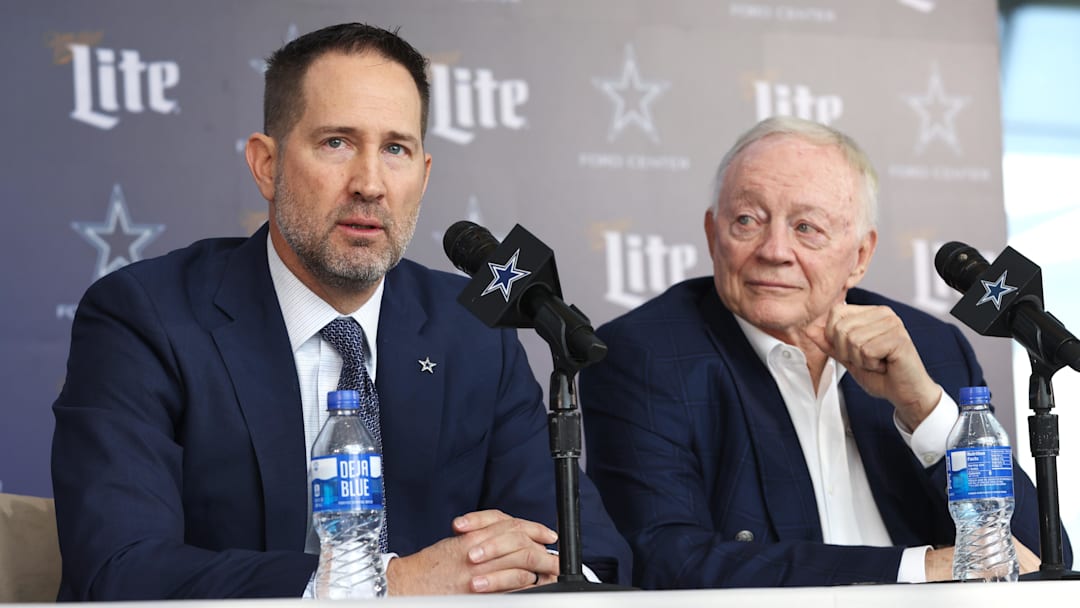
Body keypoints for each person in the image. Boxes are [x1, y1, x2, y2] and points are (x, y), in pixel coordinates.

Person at [51, 22, 630, 600]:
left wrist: (534, 567)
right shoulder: (146, 317)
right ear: (266, 165)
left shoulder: (473, 334)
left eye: (396, 149)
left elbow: (591, 557)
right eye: (337, 142)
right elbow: (118, 569)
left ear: (423, 177)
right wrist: (387, 585)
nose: (370, 184)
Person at [578, 116, 1071, 588]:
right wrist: (918, 571)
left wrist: (924, 408)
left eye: (806, 227)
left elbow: (1035, 555)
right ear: (712, 235)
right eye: (747, 220)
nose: (774, 250)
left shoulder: (932, 348)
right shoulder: (646, 354)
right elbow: (664, 561)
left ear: (860, 256)